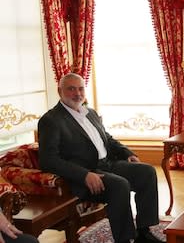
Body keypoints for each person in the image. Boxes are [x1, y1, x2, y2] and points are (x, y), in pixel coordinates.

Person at [37, 73, 162, 243]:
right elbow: (48, 160)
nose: (77, 93)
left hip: (107, 164)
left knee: (146, 172)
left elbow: (107, 139)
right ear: (60, 91)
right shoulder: (51, 120)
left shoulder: (90, 113)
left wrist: (127, 153)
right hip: (83, 175)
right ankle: (125, 239)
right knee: (120, 185)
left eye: (80, 88)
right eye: (71, 89)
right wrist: (84, 175)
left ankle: (143, 232)